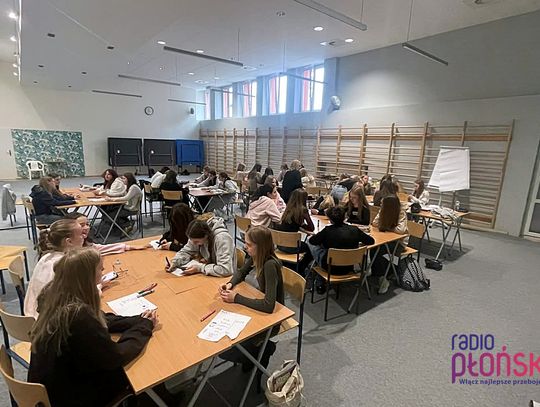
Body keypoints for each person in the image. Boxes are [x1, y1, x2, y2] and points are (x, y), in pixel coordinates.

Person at [28, 248, 158, 407]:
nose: (103, 271)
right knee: (144, 369)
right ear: (88, 276)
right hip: (72, 396)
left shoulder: (53, 293)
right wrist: (144, 327)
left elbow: (100, 318)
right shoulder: (78, 316)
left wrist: (138, 321)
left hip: (52, 386)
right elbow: (115, 357)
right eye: (100, 269)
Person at [218, 226, 282, 373]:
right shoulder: (256, 256)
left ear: (261, 246)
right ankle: (255, 353)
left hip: (272, 318)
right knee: (227, 338)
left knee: (226, 348)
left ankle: (264, 350)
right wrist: (230, 284)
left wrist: (236, 298)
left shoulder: (270, 265)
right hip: (258, 305)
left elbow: (268, 305)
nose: (245, 247)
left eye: (249, 244)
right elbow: (241, 272)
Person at [24, 219, 85, 317]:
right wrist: (98, 286)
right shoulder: (67, 264)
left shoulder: (45, 258)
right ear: (69, 241)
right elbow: (83, 297)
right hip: (50, 321)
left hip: (32, 316)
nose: (84, 236)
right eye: (81, 234)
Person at [308, 206, 374, 293]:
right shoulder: (354, 230)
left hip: (329, 267)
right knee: (326, 249)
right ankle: (319, 278)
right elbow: (371, 241)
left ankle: (316, 277)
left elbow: (312, 241)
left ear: (330, 220)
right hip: (349, 267)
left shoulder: (327, 230)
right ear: (344, 217)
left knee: (312, 243)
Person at [168, 218, 235, 277]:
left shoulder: (222, 238)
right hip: (211, 272)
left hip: (226, 278)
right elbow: (186, 251)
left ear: (206, 236)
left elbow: (226, 269)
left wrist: (200, 268)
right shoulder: (197, 234)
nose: (194, 244)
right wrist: (175, 262)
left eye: (196, 242)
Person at [371, 195, 408, 294]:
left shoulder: (401, 213)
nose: (380, 205)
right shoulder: (383, 211)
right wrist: (388, 227)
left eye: (382, 204)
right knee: (373, 247)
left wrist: (386, 227)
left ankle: (384, 277)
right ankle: (377, 273)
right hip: (385, 238)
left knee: (382, 250)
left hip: (399, 242)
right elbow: (374, 223)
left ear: (389, 206)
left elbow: (401, 230)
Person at [64, 212, 149, 254]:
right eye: (82, 225)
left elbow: (99, 248)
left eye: (87, 224)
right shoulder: (66, 252)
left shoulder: (85, 242)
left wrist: (129, 247)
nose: (86, 228)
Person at [274, 189, 314, 276]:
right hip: (292, 246)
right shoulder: (303, 210)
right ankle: (300, 269)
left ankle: (289, 266)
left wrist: (301, 226)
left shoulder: (288, 209)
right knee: (311, 249)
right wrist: (303, 224)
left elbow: (291, 226)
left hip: (280, 244)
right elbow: (311, 227)